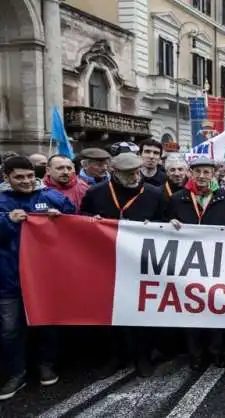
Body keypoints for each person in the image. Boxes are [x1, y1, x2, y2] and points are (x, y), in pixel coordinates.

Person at [80, 153, 167, 377]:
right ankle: (115, 357)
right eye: (128, 174)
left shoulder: (154, 193)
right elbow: (82, 220)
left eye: (137, 172)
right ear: (115, 172)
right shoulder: (96, 193)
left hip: (142, 262)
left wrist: (155, 226)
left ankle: (142, 357)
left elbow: (167, 223)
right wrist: (92, 222)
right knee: (111, 311)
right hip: (106, 262)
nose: (134, 176)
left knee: (141, 310)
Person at [0, 156, 75, 400]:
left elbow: (77, 224)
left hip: (44, 278)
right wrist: (7, 222)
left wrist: (60, 220)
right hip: (9, 280)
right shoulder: (1, 202)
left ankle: (46, 364)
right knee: (10, 330)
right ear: (7, 178)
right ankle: (16, 373)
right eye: (19, 177)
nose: (26, 181)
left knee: (46, 323)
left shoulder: (51, 197)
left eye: (30, 176)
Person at [166, 156, 225, 370]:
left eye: (207, 172)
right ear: (191, 173)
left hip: (217, 262)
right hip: (187, 263)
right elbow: (162, 225)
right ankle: (195, 354)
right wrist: (169, 224)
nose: (202, 176)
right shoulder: (178, 198)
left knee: (215, 307)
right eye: (198, 172)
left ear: (213, 174)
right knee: (191, 308)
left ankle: (215, 351)